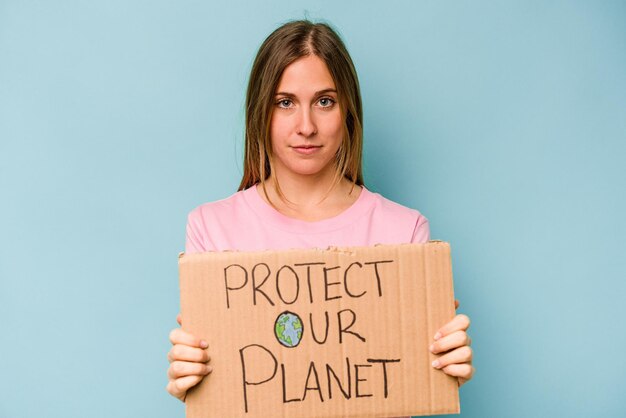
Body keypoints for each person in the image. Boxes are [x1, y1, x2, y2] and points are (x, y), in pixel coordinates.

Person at [166, 19, 474, 407]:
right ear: (260, 112)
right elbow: (222, 382)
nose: (306, 126)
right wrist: (190, 379)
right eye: (285, 102)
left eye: (324, 101)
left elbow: (409, 378)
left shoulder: (404, 230)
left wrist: (443, 363)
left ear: (347, 111)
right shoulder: (211, 228)